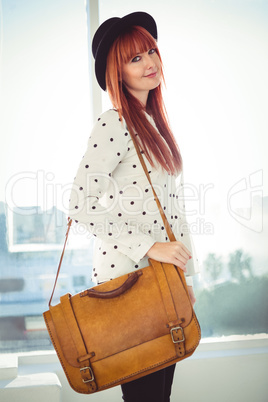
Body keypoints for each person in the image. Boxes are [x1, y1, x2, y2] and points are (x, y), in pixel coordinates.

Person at [69, 11, 199, 402]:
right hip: (129, 280)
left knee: (160, 395)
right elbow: (80, 203)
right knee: (146, 396)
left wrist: (185, 276)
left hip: (162, 279)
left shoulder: (153, 124)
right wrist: (150, 247)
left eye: (151, 51)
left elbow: (172, 208)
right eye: (135, 58)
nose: (150, 63)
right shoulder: (114, 122)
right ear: (116, 72)